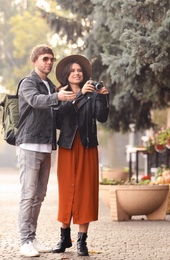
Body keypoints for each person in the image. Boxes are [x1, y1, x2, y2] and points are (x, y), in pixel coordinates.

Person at [15, 45, 76, 257]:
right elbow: (35, 101)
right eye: (45, 59)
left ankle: (32, 238)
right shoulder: (28, 82)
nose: (49, 62)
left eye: (51, 59)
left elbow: (55, 117)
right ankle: (24, 241)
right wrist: (57, 98)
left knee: (39, 195)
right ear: (35, 61)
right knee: (28, 194)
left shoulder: (50, 85)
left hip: (46, 146)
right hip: (29, 144)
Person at [52, 54, 109, 256]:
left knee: (85, 191)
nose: (77, 73)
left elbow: (102, 117)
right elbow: (59, 118)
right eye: (73, 70)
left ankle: (82, 241)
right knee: (67, 190)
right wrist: (78, 96)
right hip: (67, 146)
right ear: (67, 75)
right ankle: (64, 236)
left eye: (80, 71)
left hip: (87, 146)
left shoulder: (92, 94)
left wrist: (103, 96)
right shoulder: (60, 93)